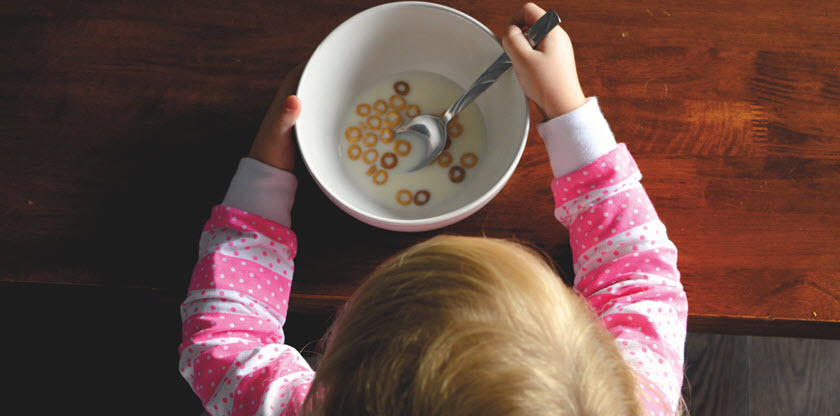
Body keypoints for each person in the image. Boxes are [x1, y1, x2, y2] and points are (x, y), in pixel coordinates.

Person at [178, 3, 687, 415]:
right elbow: (638, 274)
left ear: (338, 368)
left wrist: (264, 180)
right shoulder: (628, 399)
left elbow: (224, 342)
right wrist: (567, 109)